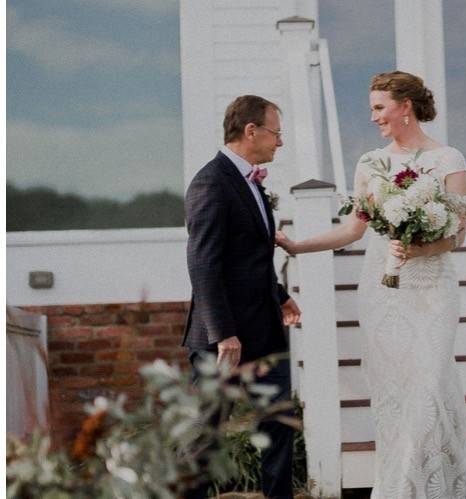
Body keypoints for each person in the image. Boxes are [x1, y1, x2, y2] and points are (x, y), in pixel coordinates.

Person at [275, 71, 466, 498]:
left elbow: (459, 232)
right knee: (396, 395)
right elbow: (351, 231)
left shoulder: (449, 160)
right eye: (372, 108)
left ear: (406, 107)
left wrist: (421, 250)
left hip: (433, 287)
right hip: (383, 293)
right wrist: (298, 245)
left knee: (431, 383)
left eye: (379, 107)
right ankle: (404, 482)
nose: (373, 116)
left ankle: (415, 487)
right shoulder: (371, 163)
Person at [182, 95, 302, 499]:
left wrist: (281, 295)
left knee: (281, 424)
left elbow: (250, 256)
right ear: (251, 131)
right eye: (276, 132)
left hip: (265, 330)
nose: (279, 143)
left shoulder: (252, 182)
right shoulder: (210, 182)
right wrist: (223, 334)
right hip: (224, 341)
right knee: (204, 435)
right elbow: (203, 265)